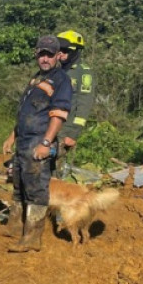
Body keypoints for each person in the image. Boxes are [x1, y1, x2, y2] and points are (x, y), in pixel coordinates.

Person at [2, 36, 73, 252]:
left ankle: (32, 238)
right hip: (23, 139)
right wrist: (11, 137)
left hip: (38, 140)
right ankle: (15, 226)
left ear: (57, 56)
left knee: (36, 188)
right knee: (19, 185)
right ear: (36, 54)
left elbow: (58, 115)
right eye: (41, 54)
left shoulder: (61, 80)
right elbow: (26, 112)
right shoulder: (36, 79)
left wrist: (45, 142)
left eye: (49, 55)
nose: (45, 58)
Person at [55, 30, 95, 179]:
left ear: (76, 52)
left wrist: (73, 133)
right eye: (59, 50)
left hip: (66, 128)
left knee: (56, 167)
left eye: (66, 51)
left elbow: (84, 104)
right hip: (50, 125)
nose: (62, 54)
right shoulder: (56, 71)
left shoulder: (83, 73)